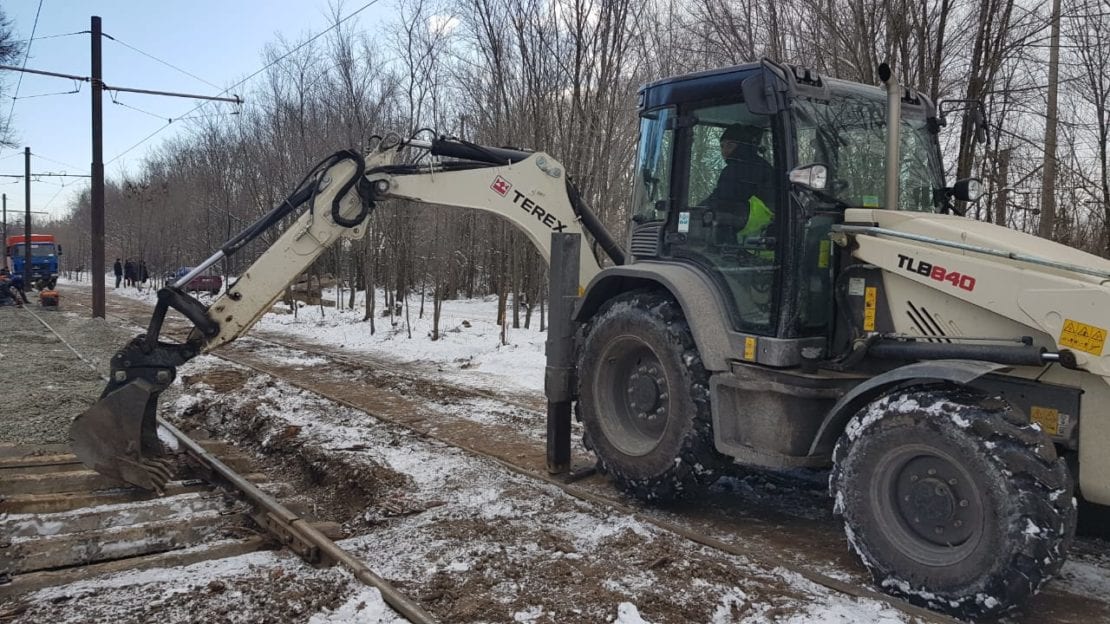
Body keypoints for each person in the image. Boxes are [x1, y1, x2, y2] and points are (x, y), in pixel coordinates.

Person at [703, 123, 776, 245]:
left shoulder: (736, 170)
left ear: (742, 145)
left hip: (746, 228)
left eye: (730, 145)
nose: (724, 151)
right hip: (763, 232)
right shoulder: (762, 165)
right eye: (722, 146)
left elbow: (721, 199)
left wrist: (695, 211)